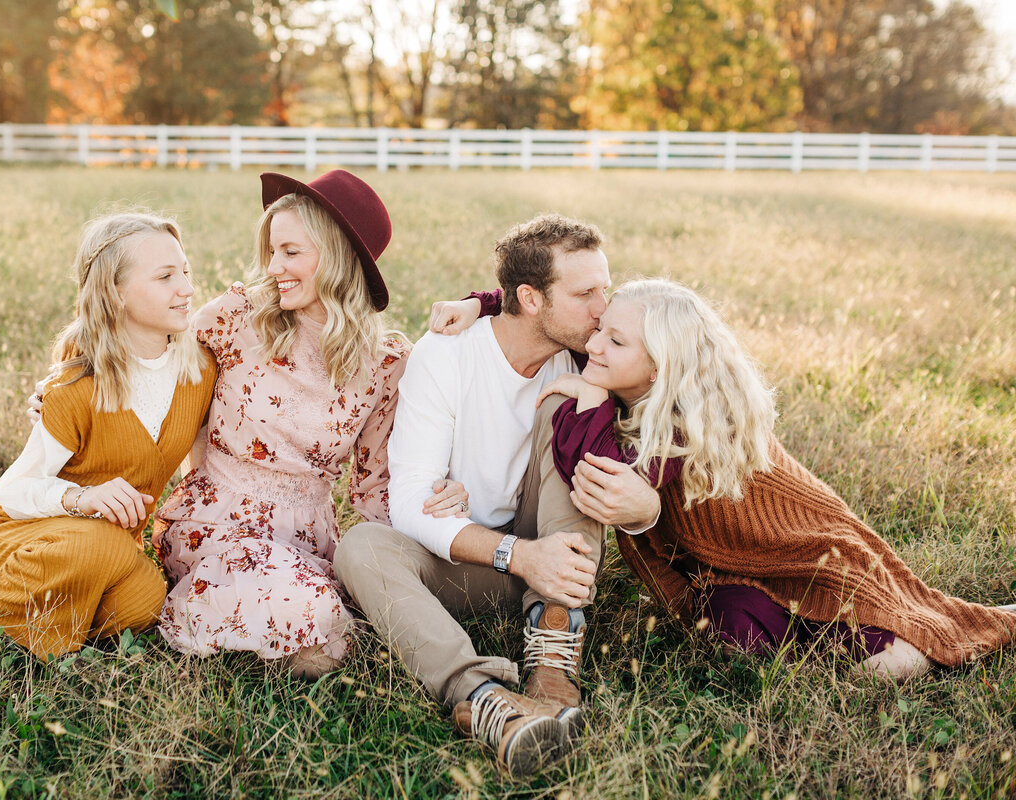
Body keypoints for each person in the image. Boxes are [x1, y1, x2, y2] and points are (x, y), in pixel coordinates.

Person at [538, 278, 1016, 678]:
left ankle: (941, 637)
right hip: (723, 568)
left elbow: (600, 471)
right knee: (732, 634)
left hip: (803, 550)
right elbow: (540, 298)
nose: (593, 344)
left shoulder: (690, 424)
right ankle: (818, 642)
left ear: (662, 367)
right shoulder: (618, 367)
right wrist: (483, 303)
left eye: (614, 340)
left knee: (876, 635)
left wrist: (591, 400)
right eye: (599, 329)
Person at [334, 214, 661, 776]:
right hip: (475, 562)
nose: (603, 309)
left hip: (553, 559)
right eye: (585, 293)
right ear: (530, 300)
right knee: (362, 546)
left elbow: (673, 413)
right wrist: (519, 555)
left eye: (603, 289)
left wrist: (643, 508)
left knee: (572, 410)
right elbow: (410, 504)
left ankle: (554, 648)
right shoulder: (446, 356)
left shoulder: (593, 356)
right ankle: (483, 700)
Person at [149, 170, 467, 679]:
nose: (274, 267)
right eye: (273, 251)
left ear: (336, 256)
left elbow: (375, 490)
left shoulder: (386, 363)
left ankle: (282, 616)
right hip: (215, 523)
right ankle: (213, 605)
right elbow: (150, 363)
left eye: (291, 252)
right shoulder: (240, 315)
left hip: (309, 538)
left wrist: (441, 500)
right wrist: (66, 387)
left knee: (339, 624)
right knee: (320, 620)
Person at [0, 211, 218, 660]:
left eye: (185, 272)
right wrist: (81, 499)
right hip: (29, 535)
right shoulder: (76, 386)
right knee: (100, 540)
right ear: (116, 291)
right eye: (166, 276)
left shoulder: (200, 371)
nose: (187, 289)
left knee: (144, 603)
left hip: (112, 554)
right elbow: (11, 491)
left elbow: (200, 464)